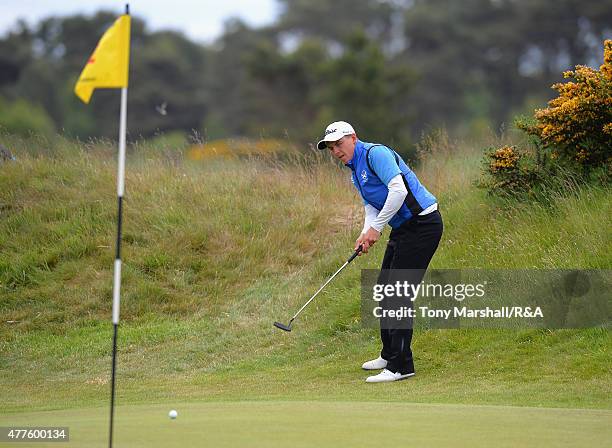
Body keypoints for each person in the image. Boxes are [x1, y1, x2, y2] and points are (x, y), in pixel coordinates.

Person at [317, 121, 443, 383]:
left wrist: (376, 228)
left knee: (398, 294)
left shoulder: (376, 154)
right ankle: (389, 354)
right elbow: (371, 206)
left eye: (339, 144)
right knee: (385, 288)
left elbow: (398, 190)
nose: (336, 151)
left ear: (353, 138)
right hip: (403, 228)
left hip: (423, 224)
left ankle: (401, 366)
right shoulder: (354, 170)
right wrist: (366, 232)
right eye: (331, 148)